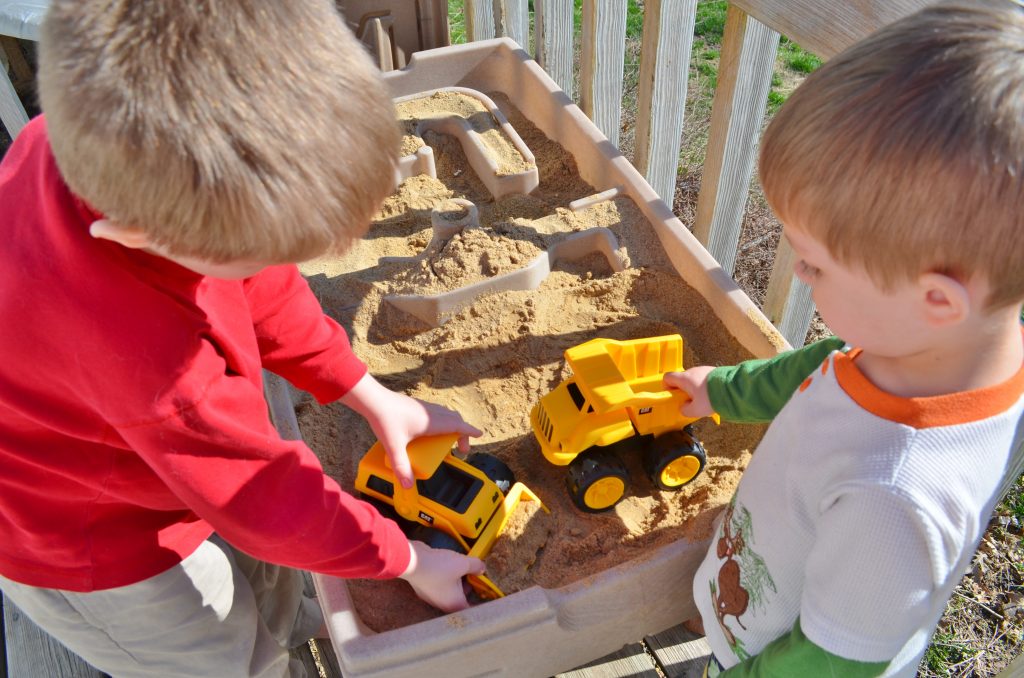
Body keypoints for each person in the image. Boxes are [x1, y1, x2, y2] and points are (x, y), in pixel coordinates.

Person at [0, 1, 485, 676]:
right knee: (225, 658)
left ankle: (280, 628)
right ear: (142, 237)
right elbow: (262, 499)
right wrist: (410, 559)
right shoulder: (157, 367)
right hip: (86, 542)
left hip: (139, 452)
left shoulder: (108, 159)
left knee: (266, 587)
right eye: (252, 256)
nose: (266, 269)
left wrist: (367, 393)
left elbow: (263, 289)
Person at [664, 1, 1024, 675]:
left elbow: (832, 664)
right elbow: (825, 368)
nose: (798, 271)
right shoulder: (923, 350)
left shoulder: (892, 499)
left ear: (937, 299)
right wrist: (719, 390)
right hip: (763, 600)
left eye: (815, 262)